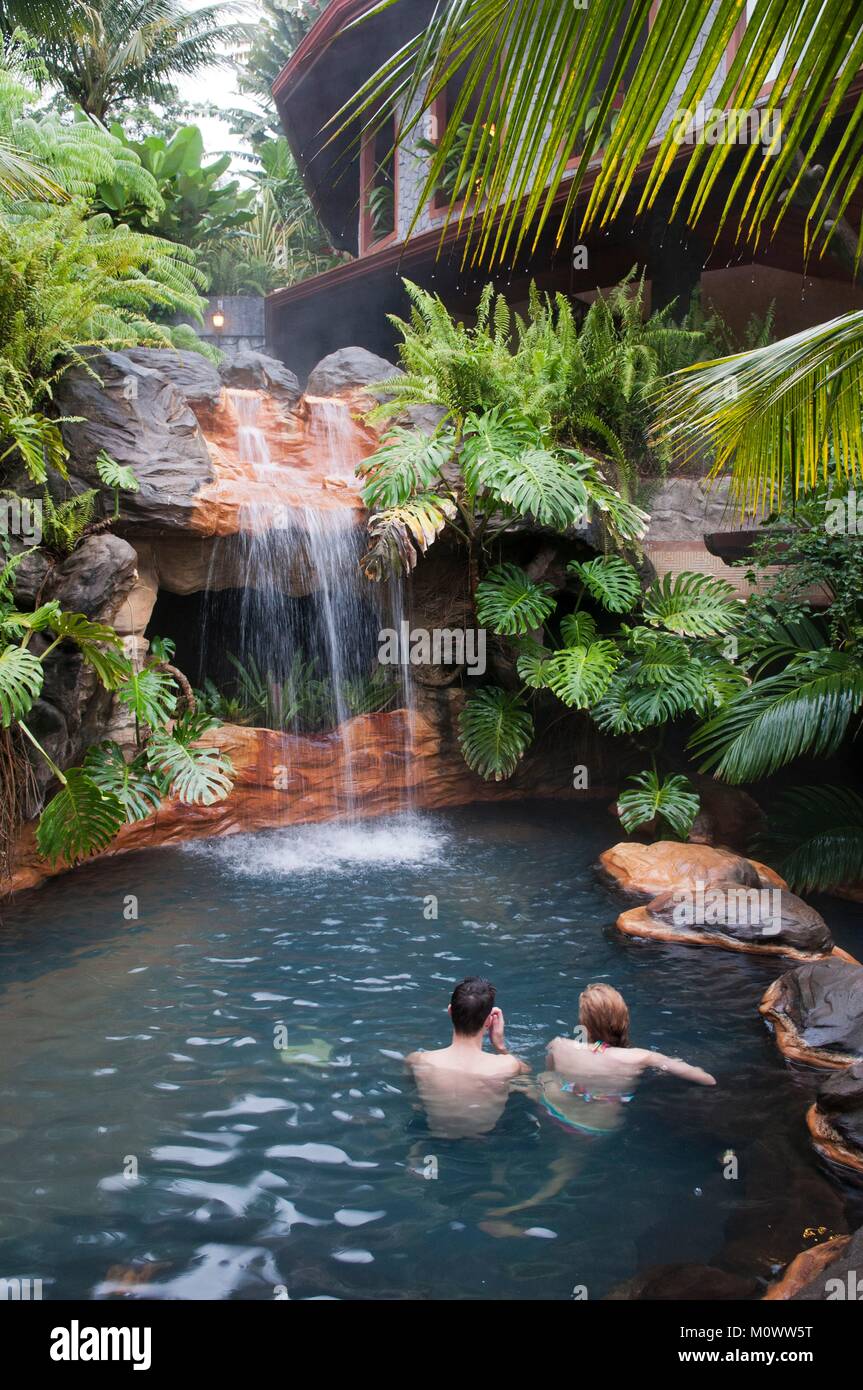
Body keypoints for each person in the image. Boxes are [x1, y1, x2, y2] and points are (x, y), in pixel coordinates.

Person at [482, 983, 716, 1226]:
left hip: (551, 1110)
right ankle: (519, 1210)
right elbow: (707, 1080)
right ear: (622, 1018)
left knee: (541, 1079)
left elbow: (549, 1073)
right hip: (591, 1129)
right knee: (565, 1168)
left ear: (584, 1022)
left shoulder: (559, 1045)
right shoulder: (641, 1057)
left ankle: (499, 1180)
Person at [406, 977, 530, 1138]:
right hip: (485, 1140)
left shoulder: (418, 1060)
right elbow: (532, 1089)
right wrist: (500, 1046)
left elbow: (413, 1096)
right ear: (489, 1021)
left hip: (434, 1136)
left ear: (450, 1011)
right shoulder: (508, 1065)